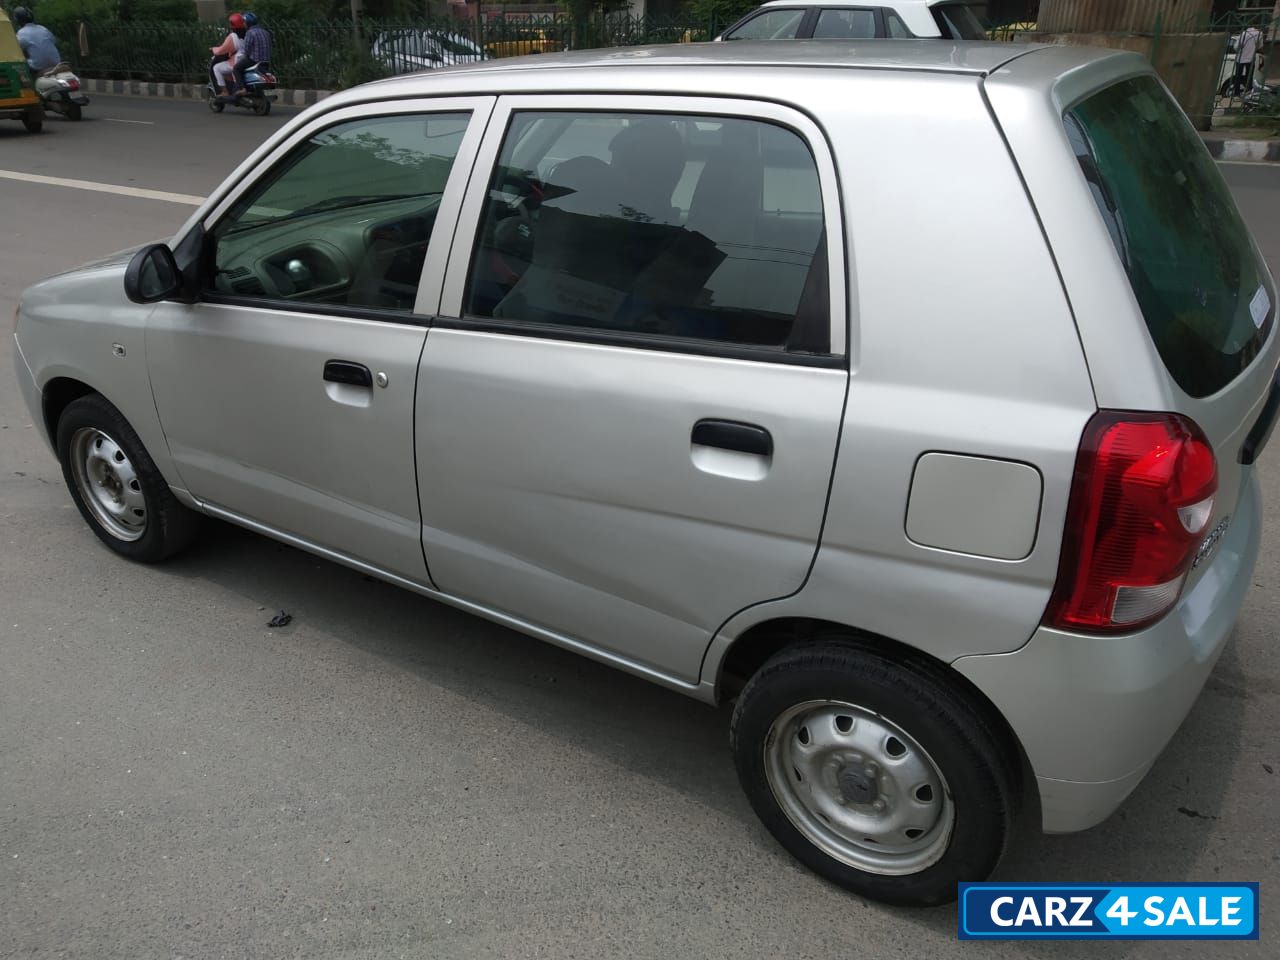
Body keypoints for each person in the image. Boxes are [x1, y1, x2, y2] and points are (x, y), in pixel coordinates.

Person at [10, 6, 63, 75]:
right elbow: (54, 41)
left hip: (38, 66)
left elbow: (17, 50)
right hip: (56, 63)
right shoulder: (43, 28)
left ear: (18, 20)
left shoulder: (21, 33)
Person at [234, 12, 273, 94]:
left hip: (254, 60)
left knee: (236, 68)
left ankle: (242, 88)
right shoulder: (265, 32)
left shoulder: (250, 33)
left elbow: (246, 50)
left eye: (244, 22)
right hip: (266, 60)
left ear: (247, 22)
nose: (243, 24)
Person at [210, 13, 246, 100]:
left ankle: (225, 91)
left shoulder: (232, 37)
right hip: (245, 60)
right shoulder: (247, 33)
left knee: (216, 67)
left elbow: (222, 50)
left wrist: (213, 49)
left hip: (236, 61)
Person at [1234, 24, 1263, 97]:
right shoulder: (1259, 33)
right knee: (1249, 76)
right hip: (1251, 58)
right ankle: (1248, 91)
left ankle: (1236, 93)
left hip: (1240, 58)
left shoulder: (1243, 34)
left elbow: (1236, 47)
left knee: (1238, 76)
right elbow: (1260, 46)